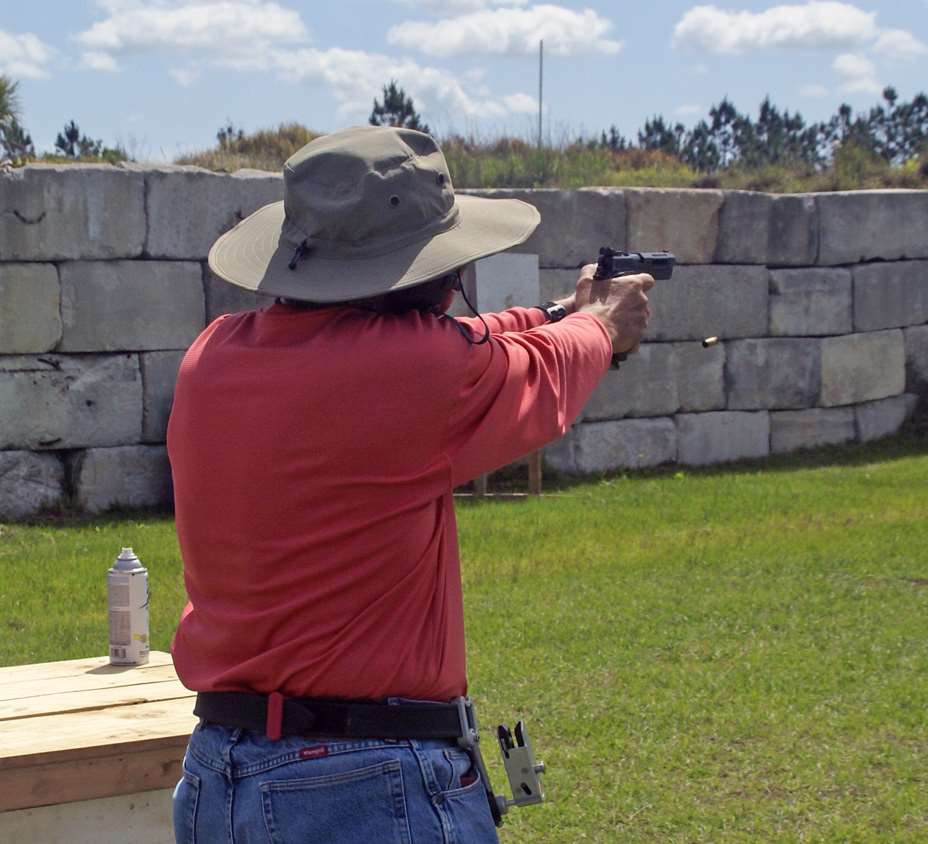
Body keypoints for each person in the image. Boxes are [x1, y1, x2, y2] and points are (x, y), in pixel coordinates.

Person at [166, 125, 652, 843]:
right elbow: (529, 368)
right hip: (366, 781)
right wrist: (604, 326)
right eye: (446, 271)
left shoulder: (216, 354)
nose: (453, 289)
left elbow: (468, 347)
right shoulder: (417, 375)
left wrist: (556, 313)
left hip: (220, 770)